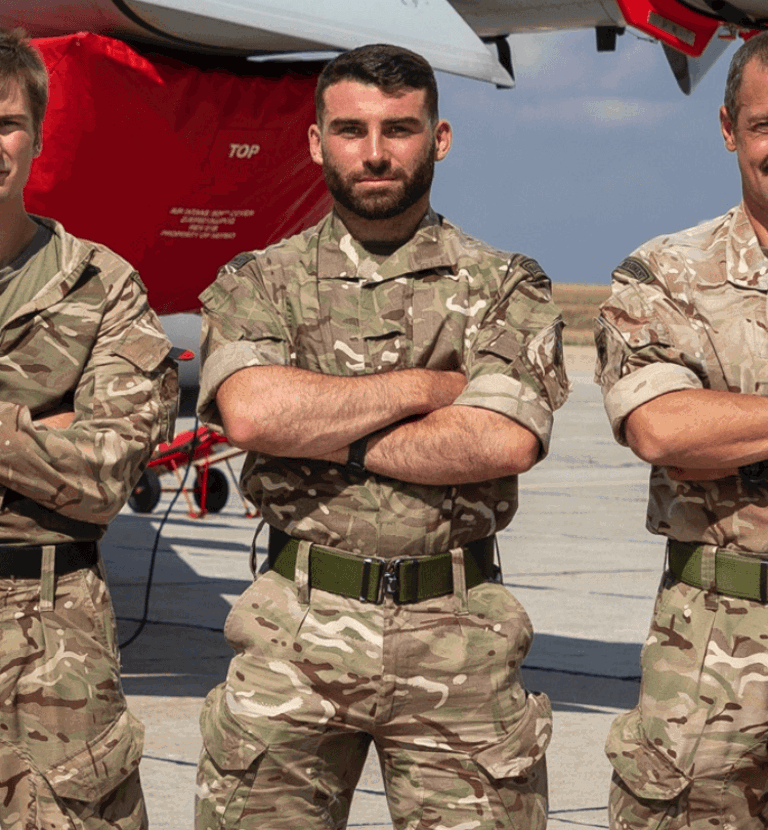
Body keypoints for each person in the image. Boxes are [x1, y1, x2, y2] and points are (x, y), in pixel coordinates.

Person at [195, 42, 568, 830]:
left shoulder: (505, 284)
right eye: (350, 129)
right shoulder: (259, 280)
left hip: (458, 638)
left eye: (398, 129)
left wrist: (324, 428)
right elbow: (255, 414)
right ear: (314, 141)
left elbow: (500, 442)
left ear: (439, 139)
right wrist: (425, 390)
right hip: (293, 632)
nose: (373, 153)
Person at [0, 29, 178, 829]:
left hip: (53, 633)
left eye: (4, 121)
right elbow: (74, 453)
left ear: (38, 136)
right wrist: (43, 425)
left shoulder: (100, 286)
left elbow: (104, 475)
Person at [596, 29, 768, 829]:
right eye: (766, 125)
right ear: (730, 129)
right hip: (717, 653)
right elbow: (663, 428)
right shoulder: (665, 274)